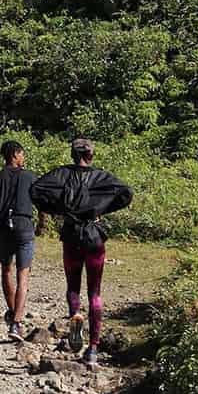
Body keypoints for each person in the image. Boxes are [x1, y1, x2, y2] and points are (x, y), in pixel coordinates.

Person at [30, 137, 134, 368]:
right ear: (91, 155)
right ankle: (94, 348)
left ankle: (75, 313)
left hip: (71, 234)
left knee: (73, 286)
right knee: (95, 292)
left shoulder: (61, 174)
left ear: (72, 155)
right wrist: (103, 208)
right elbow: (126, 192)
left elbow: (36, 189)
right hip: (94, 235)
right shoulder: (101, 176)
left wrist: (58, 208)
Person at [0, 140, 42, 340]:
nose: (23, 158)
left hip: (3, 229)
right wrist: (42, 222)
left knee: (6, 270)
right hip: (24, 226)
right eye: (22, 154)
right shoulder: (30, 177)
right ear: (16, 154)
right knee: (23, 277)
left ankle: (12, 313)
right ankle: (16, 323)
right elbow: (40, 201)